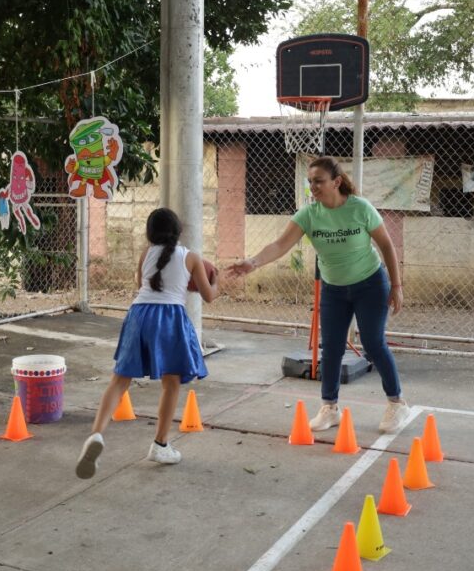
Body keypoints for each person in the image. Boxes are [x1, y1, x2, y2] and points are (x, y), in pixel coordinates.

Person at [227, 156, 409, 433]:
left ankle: (397, 403)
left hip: (370, 284)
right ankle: (329, 408)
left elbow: (386, 244)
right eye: (310, 181)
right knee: (331, 347)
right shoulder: (309, 214)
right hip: (334, 289)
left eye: (319, 181)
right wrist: (252, 262)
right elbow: (279, 245)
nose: (313, 187)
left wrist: (396, 286)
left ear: (336, 182)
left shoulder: (360, 208)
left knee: (373, 343)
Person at [76, 207, 218, 479]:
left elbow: (141, 283)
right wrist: (217, 280)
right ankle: (160, 445)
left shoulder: (146, 254)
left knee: (119, 380)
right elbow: (209, 296)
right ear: (178, 231)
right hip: (169, 317)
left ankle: (96, 434)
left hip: (139, 313)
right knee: (171, 382)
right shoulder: (190, 257)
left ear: (149, 233)